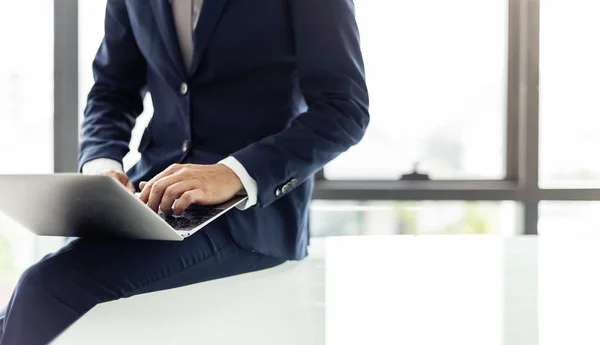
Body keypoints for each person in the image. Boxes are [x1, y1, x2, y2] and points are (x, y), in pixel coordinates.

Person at [0, 0, 369, 343]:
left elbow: (344, 111)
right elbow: (111, 92)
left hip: (252, 215)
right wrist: (102, 166)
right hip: (147, 195)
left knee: (45, 286)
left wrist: (233, 174)